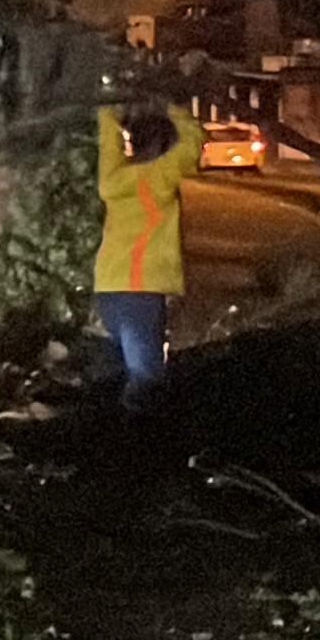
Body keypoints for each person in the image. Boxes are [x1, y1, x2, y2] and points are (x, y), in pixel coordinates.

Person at [91, 95, 205, 411]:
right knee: (146, 381)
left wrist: (111, 107)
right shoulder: (161, 177)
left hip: (108, 286)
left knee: (116, 372)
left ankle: (105, 436)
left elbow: (107, 138)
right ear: (163, 145)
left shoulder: (112, 180)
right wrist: (173, 104)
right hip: (141, 289)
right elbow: (194, 140)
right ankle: (143, 442)